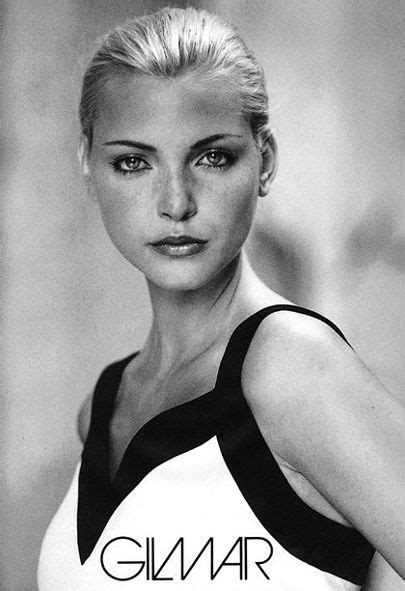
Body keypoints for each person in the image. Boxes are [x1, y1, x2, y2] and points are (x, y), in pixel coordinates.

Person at [38, 6, 405, 590]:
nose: (176, 201)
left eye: (212, 157)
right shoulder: (104, 404)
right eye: (133, 162)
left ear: (265, 161)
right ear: (88, 165)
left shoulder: (292, 367)